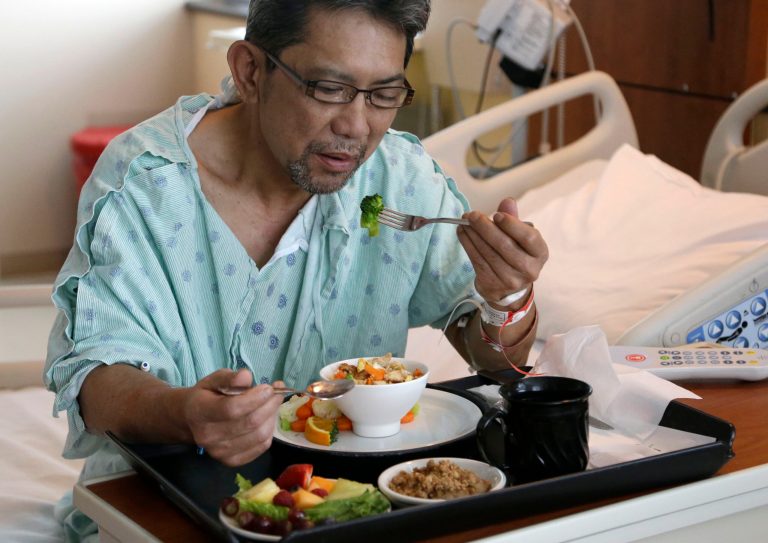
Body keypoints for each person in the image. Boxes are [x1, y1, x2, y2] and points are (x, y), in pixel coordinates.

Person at [44, 0, 547, 539]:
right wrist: (184, 412)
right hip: (170, 503)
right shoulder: (145, 184)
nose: (356, 127)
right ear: (250, 71)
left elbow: (496, 361)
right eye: (328, 88)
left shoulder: (399, 179)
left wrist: (507, 298)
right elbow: (93, 380)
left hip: (354, 508)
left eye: (384, 95)